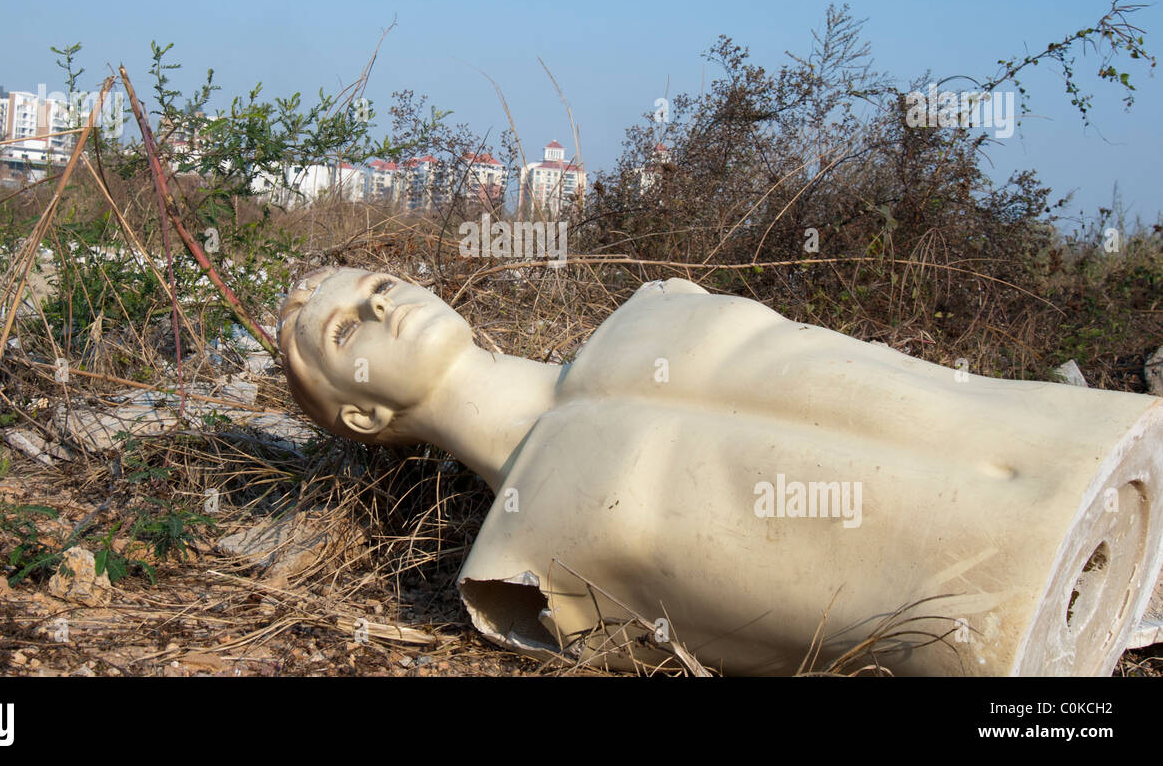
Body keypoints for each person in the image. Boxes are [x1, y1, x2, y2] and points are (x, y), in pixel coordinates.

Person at [280, 266, 1163, 675]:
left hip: (1107, 450)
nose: (382, 302)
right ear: (362, 416)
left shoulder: (652, 309)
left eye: (378, 283)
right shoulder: (512, 569)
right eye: (348, 328)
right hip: (1012, 641)